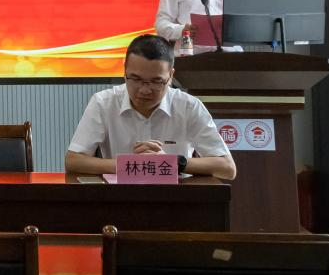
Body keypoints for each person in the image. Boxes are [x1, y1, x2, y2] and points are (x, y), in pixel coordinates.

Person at [64, 34, 236, 179]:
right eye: (136, 79)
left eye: (156, 81)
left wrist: (172, 163)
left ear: (171, 76)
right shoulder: (103, 102)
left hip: (176, 199)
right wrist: (132, 166)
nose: (145, 90)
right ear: (124, 72)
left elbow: (227, 168)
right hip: (120, 199)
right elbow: (73, 161)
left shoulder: (189, 106)